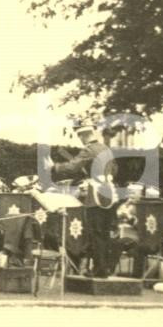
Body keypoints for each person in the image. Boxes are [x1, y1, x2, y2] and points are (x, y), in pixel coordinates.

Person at [45, 119, 118, 278]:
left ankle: (99, 270)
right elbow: (115, 170)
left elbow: (72, 166)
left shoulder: (89, 150)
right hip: (110, 192)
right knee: (104, 233)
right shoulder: (106, 149)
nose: (81, 140)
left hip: (95, 194)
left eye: (81, 137)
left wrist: (54, 167)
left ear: (84, 136)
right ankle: (104, 268)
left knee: (95, 233)